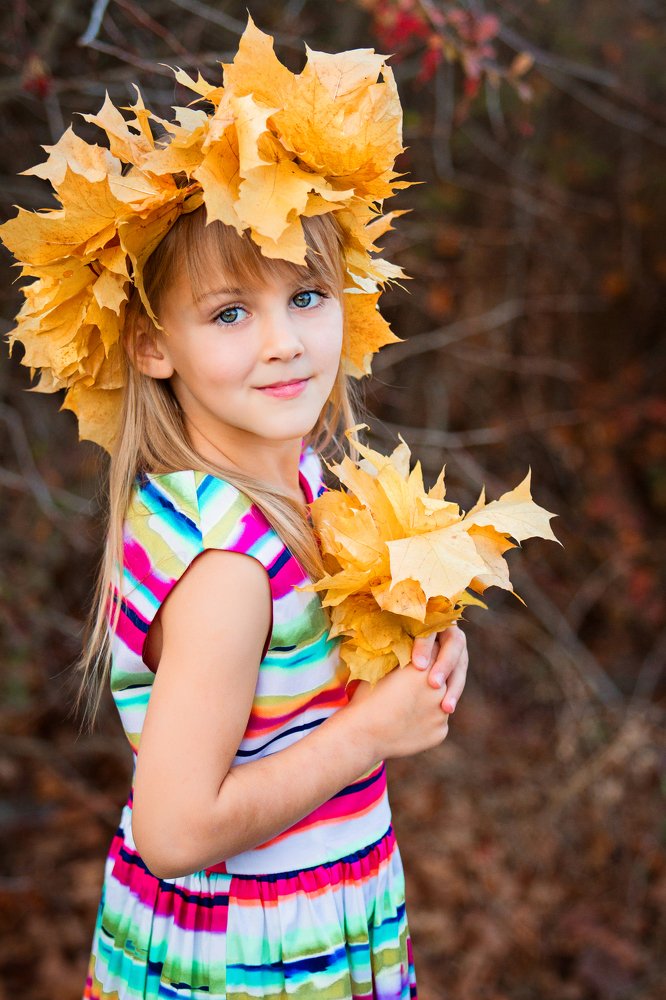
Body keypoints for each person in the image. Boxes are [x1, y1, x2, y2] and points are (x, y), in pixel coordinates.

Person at [0, 17, 469, 999]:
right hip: (247, 961)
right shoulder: (226, 571)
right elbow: (175, 830)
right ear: (150, 344)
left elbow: (301, 694)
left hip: (310, 921)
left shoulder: (299, 489)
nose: (284, 343)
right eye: (229, 313)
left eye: (306, 295)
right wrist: (367, 735)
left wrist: (414, 647)